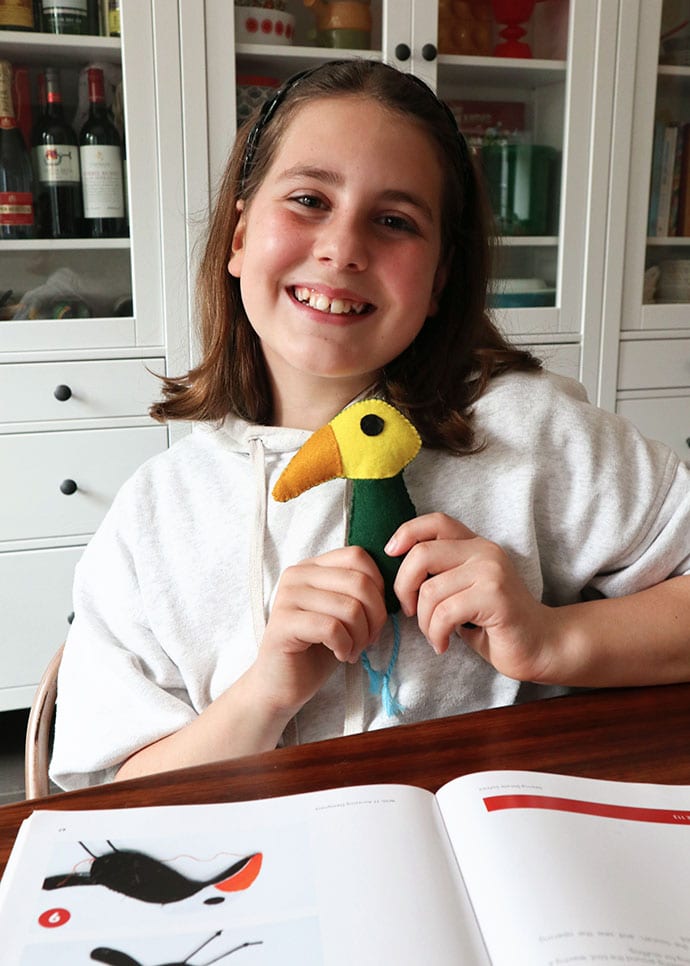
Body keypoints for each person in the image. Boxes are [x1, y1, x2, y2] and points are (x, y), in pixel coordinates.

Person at [50, 59, 690, 790]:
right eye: (307, 199)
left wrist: (551, 640)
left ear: (441, 276)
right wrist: (266, 691)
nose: (343, 248)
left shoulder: (530, 432)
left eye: (394, 221)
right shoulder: (154, 516)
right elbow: (104, 795)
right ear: (238, 235)